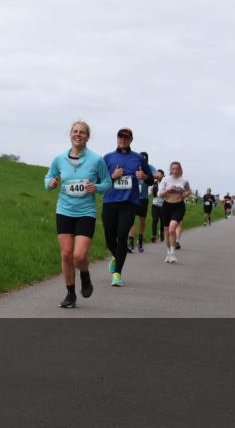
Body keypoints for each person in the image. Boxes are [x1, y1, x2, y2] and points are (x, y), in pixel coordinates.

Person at [45, 121, 112, 308]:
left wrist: (96, 187)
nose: (78, 135)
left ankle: (85, 275)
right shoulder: (59, 159)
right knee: (66, 255)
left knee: (80, 255)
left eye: (82, 132)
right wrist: (50, 183)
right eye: (75, 131)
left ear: (87, 137)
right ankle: (70, 294)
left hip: (86, 212)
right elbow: (49, 177)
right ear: (70, 135)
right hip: (64, 210)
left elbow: (107, 183)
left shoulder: (96, 160)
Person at [101, 128, 154, 286]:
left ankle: (117, 273)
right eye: (120, 136)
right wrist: (113, 176)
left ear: (131, 140)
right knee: (110, 238)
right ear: (117, 138)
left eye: (126, 137)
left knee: (122, 236)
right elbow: (100, 180)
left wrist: (144, 176)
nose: (123, 139)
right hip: (110, 201)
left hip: (129, 203)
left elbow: (150, 179)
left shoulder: (138, 158)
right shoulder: (107, 158)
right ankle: (116, 255)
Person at [159, 161, 192, 263]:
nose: (175, 171)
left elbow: (189, 191)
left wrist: (184, 195)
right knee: (166, 230)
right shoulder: (165, 179)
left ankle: (173, 253)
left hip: (178, 206)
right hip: (167, 206)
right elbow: (160, 194)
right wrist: (168, 190)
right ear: (170, 170)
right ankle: (168, 252)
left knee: (172, 229)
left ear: (180, 170)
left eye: (177, 169)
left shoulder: (184, 181)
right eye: (173, 169)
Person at [129, 151, 156, 253]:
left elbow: (155, 174)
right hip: (133, 197)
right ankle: (130, 242)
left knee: (142, 222)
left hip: (144, 199)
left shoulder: (149, 167)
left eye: (144, 160)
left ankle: (140, 240)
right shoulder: (133, 165)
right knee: (130, 220)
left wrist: (150, 176)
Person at [150, 169, 165, 242]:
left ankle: (161, 232)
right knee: (155, 219)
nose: (157, 175)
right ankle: (153, 236)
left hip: (163, 205)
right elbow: (150, 192)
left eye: (159, 174)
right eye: (157, 174)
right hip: (155, 204)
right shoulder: (154, 183)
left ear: (163, 175)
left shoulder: (165, 182)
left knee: (162, 221)